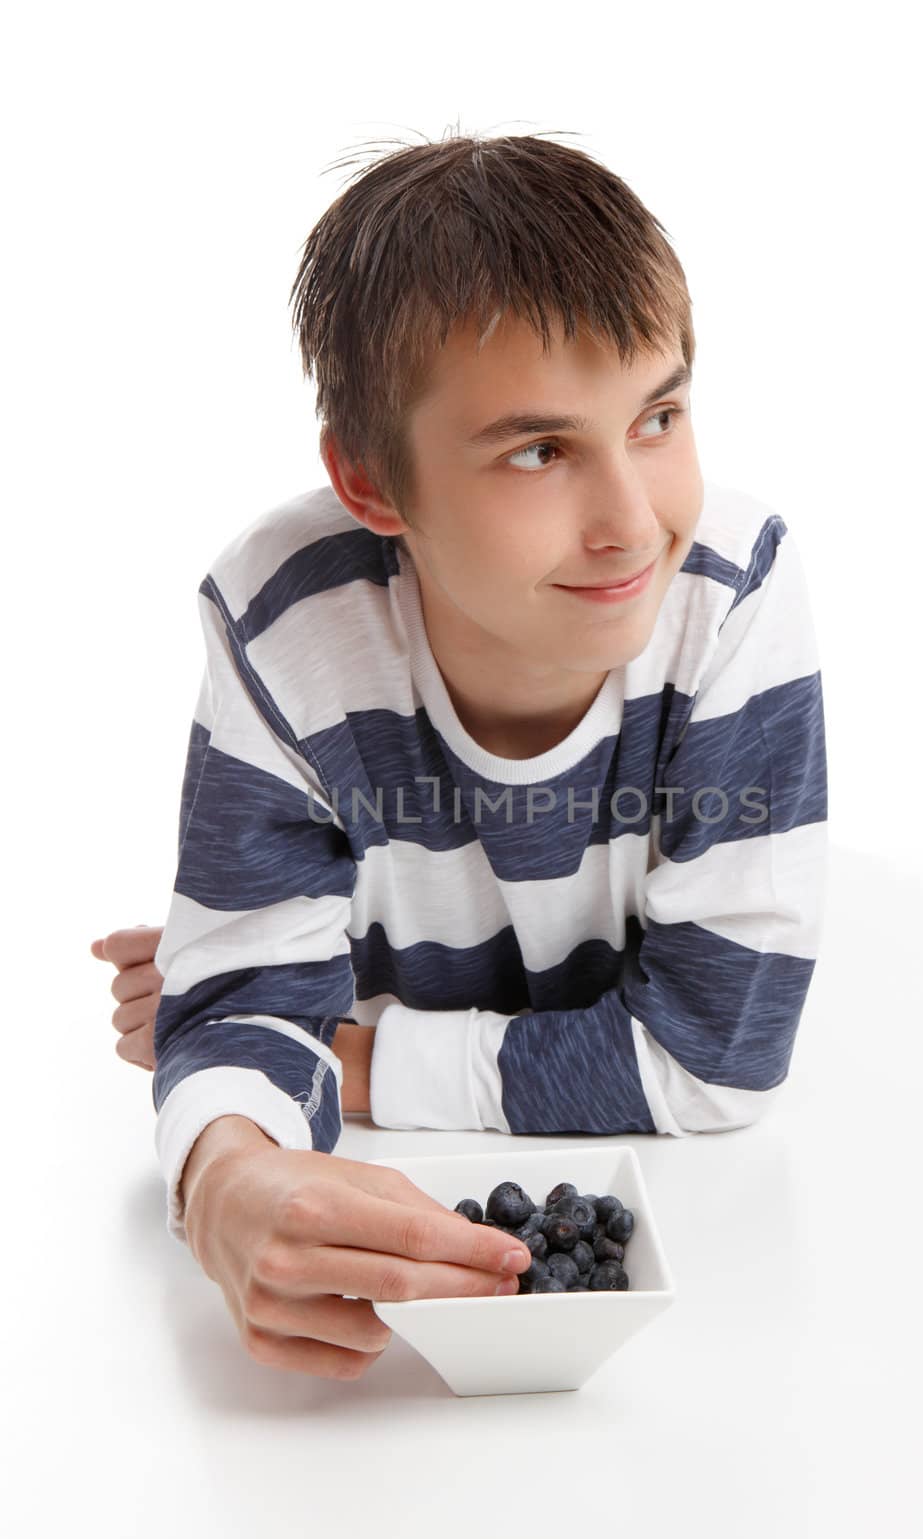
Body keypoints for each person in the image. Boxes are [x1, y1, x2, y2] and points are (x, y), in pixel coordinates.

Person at [91, 129, 829, 1382]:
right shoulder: (287, 625)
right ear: (371, 482)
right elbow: (237, 1023)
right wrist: (225, 1163)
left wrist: (349, 1046)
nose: (630, 522)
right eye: (537, 450)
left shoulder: (726, 593)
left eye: (656, 416)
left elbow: (711, 1062)